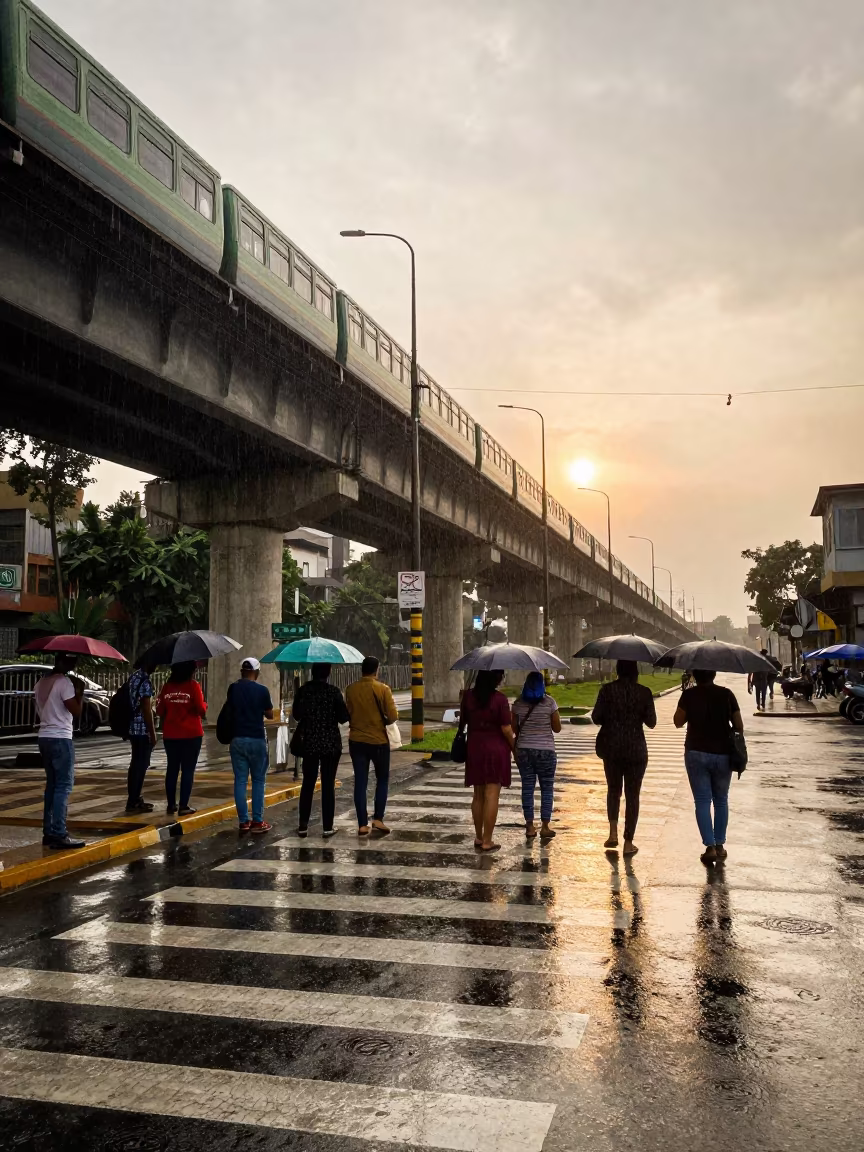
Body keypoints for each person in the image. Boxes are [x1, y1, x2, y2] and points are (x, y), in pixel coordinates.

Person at [674, 669, 744, 864]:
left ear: (695, 675)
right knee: (721, 800)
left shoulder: (689, 695)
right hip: (723, 754)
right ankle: (720, 845)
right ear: (713, 674)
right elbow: (739, 725)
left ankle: (709, 846)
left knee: (702, 801)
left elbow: (677, 722)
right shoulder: (726, 694)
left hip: (696, 753)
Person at [591, 660, 657, 856]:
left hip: (611, 748)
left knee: (613, 790)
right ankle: (628, 842)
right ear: (635, 671)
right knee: (632, 795)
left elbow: (596, 718)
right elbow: (651, 722)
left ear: (617, 671)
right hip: (636, 749)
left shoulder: (607, 691)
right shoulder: (644, 692)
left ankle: (612, 833)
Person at [292, 663, 349, 837]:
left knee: (307, 784)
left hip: (309, 744)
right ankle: (327, 827)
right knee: (328, 784)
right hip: (330, 745)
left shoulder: (303, 691)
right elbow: (343, 718)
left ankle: (303, 826)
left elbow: (296, 715)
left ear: (312, 672)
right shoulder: (333, 692)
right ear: (328, 673)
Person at [35, 654, 85, 849]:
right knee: (63, 786)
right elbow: (76, 711)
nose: (74, 664)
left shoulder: (41, 682)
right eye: (72, 661)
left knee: (52, 785)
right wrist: (80, 691)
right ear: (64, 662)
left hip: (44, 736)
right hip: (60, 738)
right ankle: (59, 834)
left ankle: (48, 832)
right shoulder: (64, 682)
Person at [462, 669, 515, 853]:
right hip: (495, 749)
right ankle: (488, 840)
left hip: (475, 747)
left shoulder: (468, 697)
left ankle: (478, 836)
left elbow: (463, 722)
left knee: (478, 795)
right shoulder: (500, 699)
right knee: (492, 794)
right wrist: (515, 748)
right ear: (496, 679)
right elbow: (506, 729)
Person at [345, 656, 399, 835]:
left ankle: (362, 824)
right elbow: (392, 717)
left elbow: (348, 713)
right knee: (382, 780)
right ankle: (378, 819)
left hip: (357, 741)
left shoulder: (351, 689)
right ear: (376, 670)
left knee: (360, 781)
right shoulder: (383, 689)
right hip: (378, 742)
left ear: (362, 670)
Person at [511, 670, 561, 838]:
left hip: (524, 750)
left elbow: (514, 728)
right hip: (546, 751)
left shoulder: (518, 703)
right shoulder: (550, 702)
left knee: (527, 788)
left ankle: (530, 827)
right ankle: (545, 826)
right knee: (547, 789)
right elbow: (557, 728)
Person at [228, 657, 275, 833]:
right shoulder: (262, 690)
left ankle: (243, 822)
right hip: (256, 738)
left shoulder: (233, 689)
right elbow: (270, 715)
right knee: (258, 780)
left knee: (240, 780)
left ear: (242, 671)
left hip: (237, 739)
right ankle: (257, 821)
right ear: (256, 672)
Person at [156, 660, 207, 816]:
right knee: (188, 770)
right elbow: (201, 710)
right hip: (191, 734)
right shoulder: (193, 686)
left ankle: (171, 804)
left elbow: (159, 710)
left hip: (171, 735)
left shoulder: (167, 687)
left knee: (172, 769)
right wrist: (204, 705)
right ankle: (183, 805)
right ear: (189, 671)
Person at [126, 658, 157, 814]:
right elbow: (146, 708)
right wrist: (152, 733)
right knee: (141, 765)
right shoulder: (144, 681)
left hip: (132, 729)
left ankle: (133, 798)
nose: (156, 667)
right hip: (142, 730)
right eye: (154, 664)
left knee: (135, 765)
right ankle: (134, 800)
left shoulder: (133, 678)